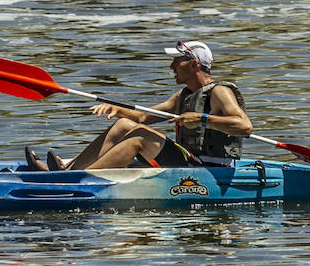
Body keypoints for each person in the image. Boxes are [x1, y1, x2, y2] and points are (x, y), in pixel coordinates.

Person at [26, 40, 251, 171]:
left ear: (193, 64)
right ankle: (69, 172)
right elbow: (143, 117)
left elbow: (244, 126)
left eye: (177, 61)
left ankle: (80, 182)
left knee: (140, 137)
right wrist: (116, 110)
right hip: (189, 159)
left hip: (209, 170)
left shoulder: (220, 92)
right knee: (125, 124)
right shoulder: (184, 96)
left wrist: (202, 119)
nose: (171, 66)